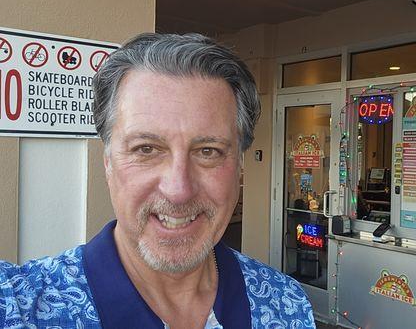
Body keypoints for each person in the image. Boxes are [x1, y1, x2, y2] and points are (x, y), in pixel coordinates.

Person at [0, 33, 315, 329]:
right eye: (146, 149)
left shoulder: (286, 302)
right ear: (108, 162)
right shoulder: (18, 308)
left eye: (208, 151)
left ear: (240, 166)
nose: (178, 191)